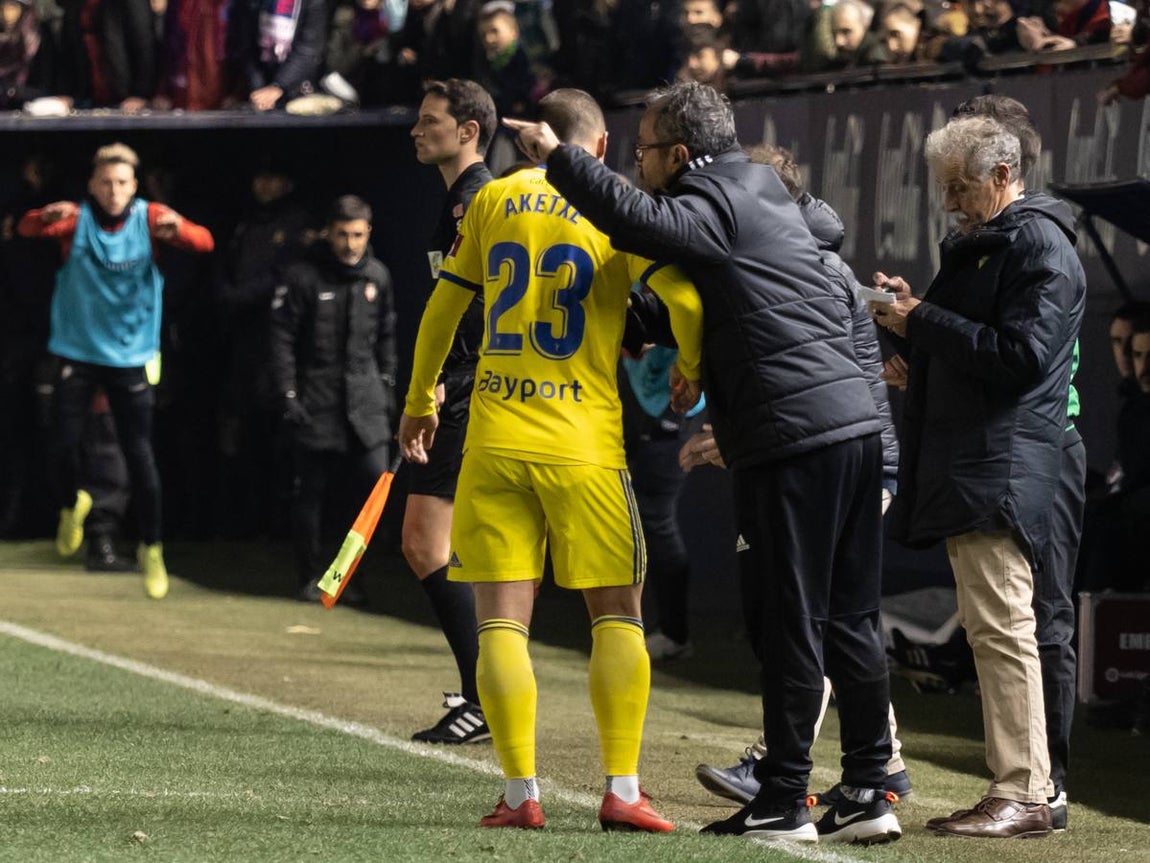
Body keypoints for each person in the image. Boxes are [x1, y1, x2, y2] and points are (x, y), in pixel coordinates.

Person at [507, 81, 900, 846]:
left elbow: (643, 222)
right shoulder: (760, 187)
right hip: (853, 427)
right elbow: (812, 231)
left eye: (645, 151)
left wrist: (559, 160)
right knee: (850, 617)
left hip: (795, 434)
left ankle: (786, 797)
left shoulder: (712, 196)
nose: (638, 164)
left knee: (792, 619)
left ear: (681, 155)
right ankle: (867, 785)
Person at [398, 87, 703, 833]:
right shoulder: (616, 207)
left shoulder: (495, 199)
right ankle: (622, 788)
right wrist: (693, 366)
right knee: (618, 615)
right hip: (584, 445)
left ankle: (518, 792)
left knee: (502, 622)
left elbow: (444, 305)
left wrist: (418, 401)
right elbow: (687, 299)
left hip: (496, 438)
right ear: (597, 149)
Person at [870, 114, 1085, 839]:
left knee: (1005, 629)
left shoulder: (1038, 245)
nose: (951, 201)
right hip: (983, 462)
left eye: (961, 186)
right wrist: (913, 323)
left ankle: (1025, 788)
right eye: (944, 187)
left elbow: (1020, 359)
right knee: (997, 629)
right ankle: (1020, 784)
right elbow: (982, 346)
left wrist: (924, 317)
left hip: (1002, 464)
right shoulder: (1001, 242)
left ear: (1003, 174)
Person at [690, 142, 911, 811]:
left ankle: (778, 770)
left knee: (807, 616)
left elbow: (806, 381)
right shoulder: (804, 255)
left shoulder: (796, 263)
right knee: (832, 618)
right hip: (848, 452)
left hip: (837, 456)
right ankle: (884, 763)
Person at [17, 142, 215, 599]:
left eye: (122, 182)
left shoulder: (150, 219)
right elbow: (27, 229)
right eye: (105, 182)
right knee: (61, 447)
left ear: (134, 186)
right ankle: (73, 505)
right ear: (92, 184)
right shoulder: (76, 219)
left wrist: (179, 229)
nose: (113, 190)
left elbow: (203, 242)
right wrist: (43, 217)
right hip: (78, 353)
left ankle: (152, 548)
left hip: (131, 357)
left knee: (139, 455)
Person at [405, 78, 496, 745]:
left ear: (469, 130)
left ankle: (483, 694)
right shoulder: (461, 200)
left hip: (471, 387)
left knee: (425, 542)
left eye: (430, 120)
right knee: (453, 547)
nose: (416, 129)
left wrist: (440, 378)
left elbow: (479, 299)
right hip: (464, 383)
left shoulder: (476, 201)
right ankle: (482, 687)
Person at [269, 195, 397, 601]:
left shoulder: (377, 276)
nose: (349, 243)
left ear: (368, 233)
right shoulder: (304, 277)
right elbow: (281, 339)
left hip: (366, 403)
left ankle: (350, 579)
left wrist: (389, 385)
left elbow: (388, 336)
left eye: (357, 234)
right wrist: (288, 393)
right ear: (329, 233)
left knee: (370, 492)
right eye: (342, 234)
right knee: (310, 494)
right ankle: (309, 576)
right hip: (316, 400)